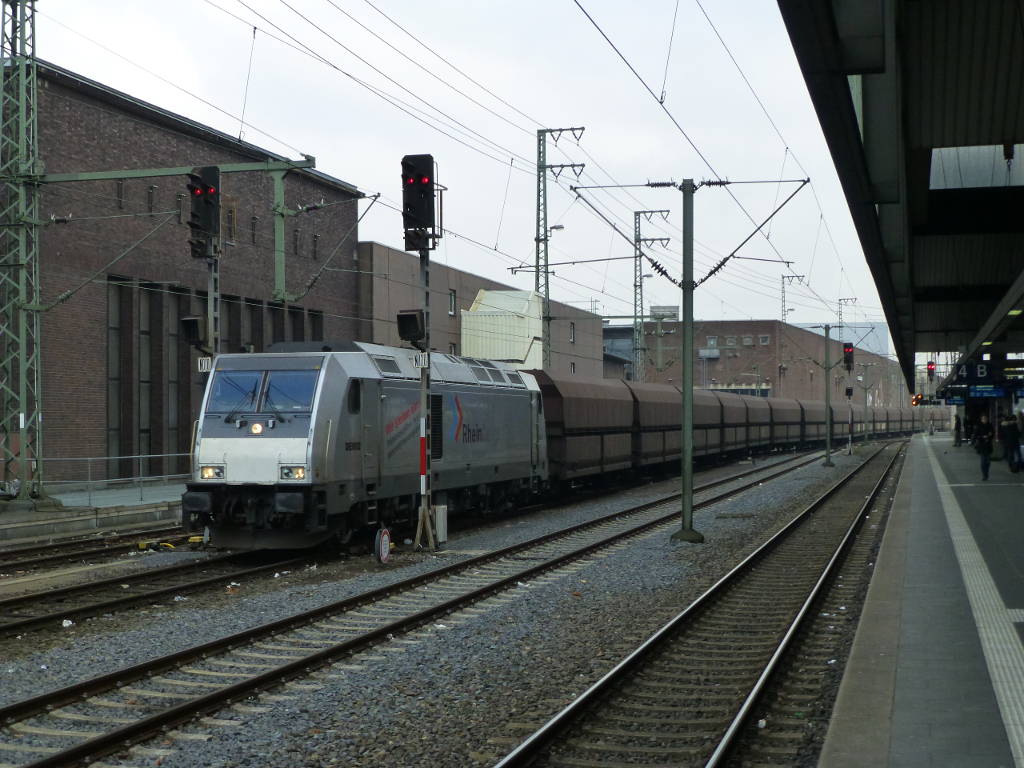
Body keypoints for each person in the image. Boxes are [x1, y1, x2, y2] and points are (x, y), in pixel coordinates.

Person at [974, 413, 995, 480]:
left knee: (988, 462)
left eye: (985, 418)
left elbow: (992, 434)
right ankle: (984, 475)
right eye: (983, 419)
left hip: (988, 445)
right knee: (983, 461)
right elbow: (976, 435)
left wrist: (989, 436)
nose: (984, 420)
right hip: (982, 446)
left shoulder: (990, 425)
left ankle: (987, 473)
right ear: (981, 419)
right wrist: (982, 437)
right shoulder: (979, 426)